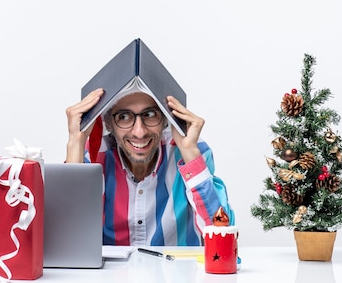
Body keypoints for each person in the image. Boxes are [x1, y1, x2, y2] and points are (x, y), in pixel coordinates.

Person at [66, 87, 234, 246]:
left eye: (150, 114)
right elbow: (69, 243)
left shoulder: (190, 151)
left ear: (166, 120)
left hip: (178, 274)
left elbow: (223, 238)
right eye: (124, 117)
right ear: (109, 125)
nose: (139, 132)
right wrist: (75, 142)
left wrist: (190, 152)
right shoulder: (94, 155)